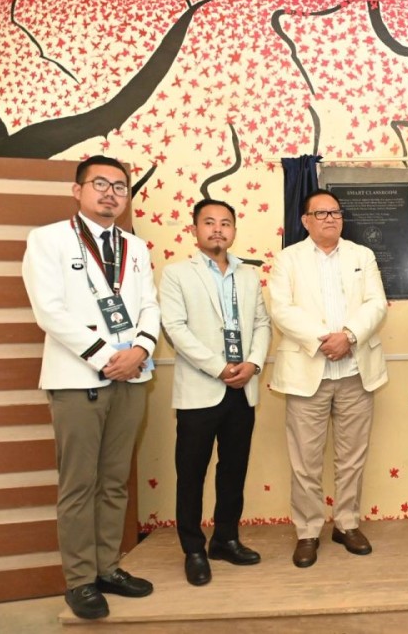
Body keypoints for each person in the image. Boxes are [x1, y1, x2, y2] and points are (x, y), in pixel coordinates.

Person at [21, 155, 159, 620]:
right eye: (99, 183)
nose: (111, 193)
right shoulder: (48, 240)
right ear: (77, 190)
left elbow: (149, 307)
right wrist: (106, 356)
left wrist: (138, 351)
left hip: (133, 377)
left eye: (120, 186)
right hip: (77, 380)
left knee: (115, 480)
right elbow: (49, 311)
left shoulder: (136, 248)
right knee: (80, 485)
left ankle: (107, 567)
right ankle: (80, 581)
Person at [269, 189, 387, 568]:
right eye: (320, 214)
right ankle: (307, 531)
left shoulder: (361, 255)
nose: (330, 219)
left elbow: (376, 304)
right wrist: (323, 341)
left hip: (355, 371)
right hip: (308, 373)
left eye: (335, 213)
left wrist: (349, 336)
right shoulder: (288, 259)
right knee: (306, 460)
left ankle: (347, 523)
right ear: (305, 221)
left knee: (351, 457)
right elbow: (281, 309)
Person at [160, 199, 272, 586]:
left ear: (234, 230)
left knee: (233, 469)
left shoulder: (248, 275)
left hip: (243, 388)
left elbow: (261, 324)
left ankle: (225, 538)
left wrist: (253, 364)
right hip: (200, 389)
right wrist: (218, 367)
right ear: (195, 229)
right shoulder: (176, 274)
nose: (218, 229)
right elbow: (175, 328)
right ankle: (193, 547)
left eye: (225, 223)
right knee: (191, 472)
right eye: (209, 222)